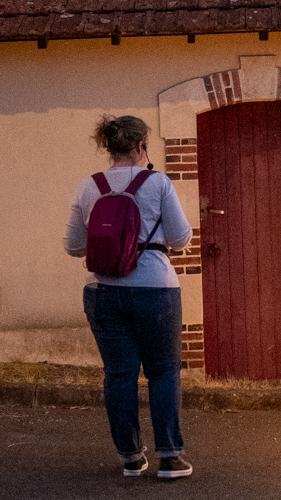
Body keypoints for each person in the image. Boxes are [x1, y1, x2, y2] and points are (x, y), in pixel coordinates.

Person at [64, 116, 195, 479]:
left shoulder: (88, 188)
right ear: (141, 148)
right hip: (156, 289)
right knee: (163, 371)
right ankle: (170, 456)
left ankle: (131, 458)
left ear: (109, 148)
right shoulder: (159, 183)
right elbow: (182, 237)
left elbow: (74, 246)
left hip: (104, 292)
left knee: (119, 374)